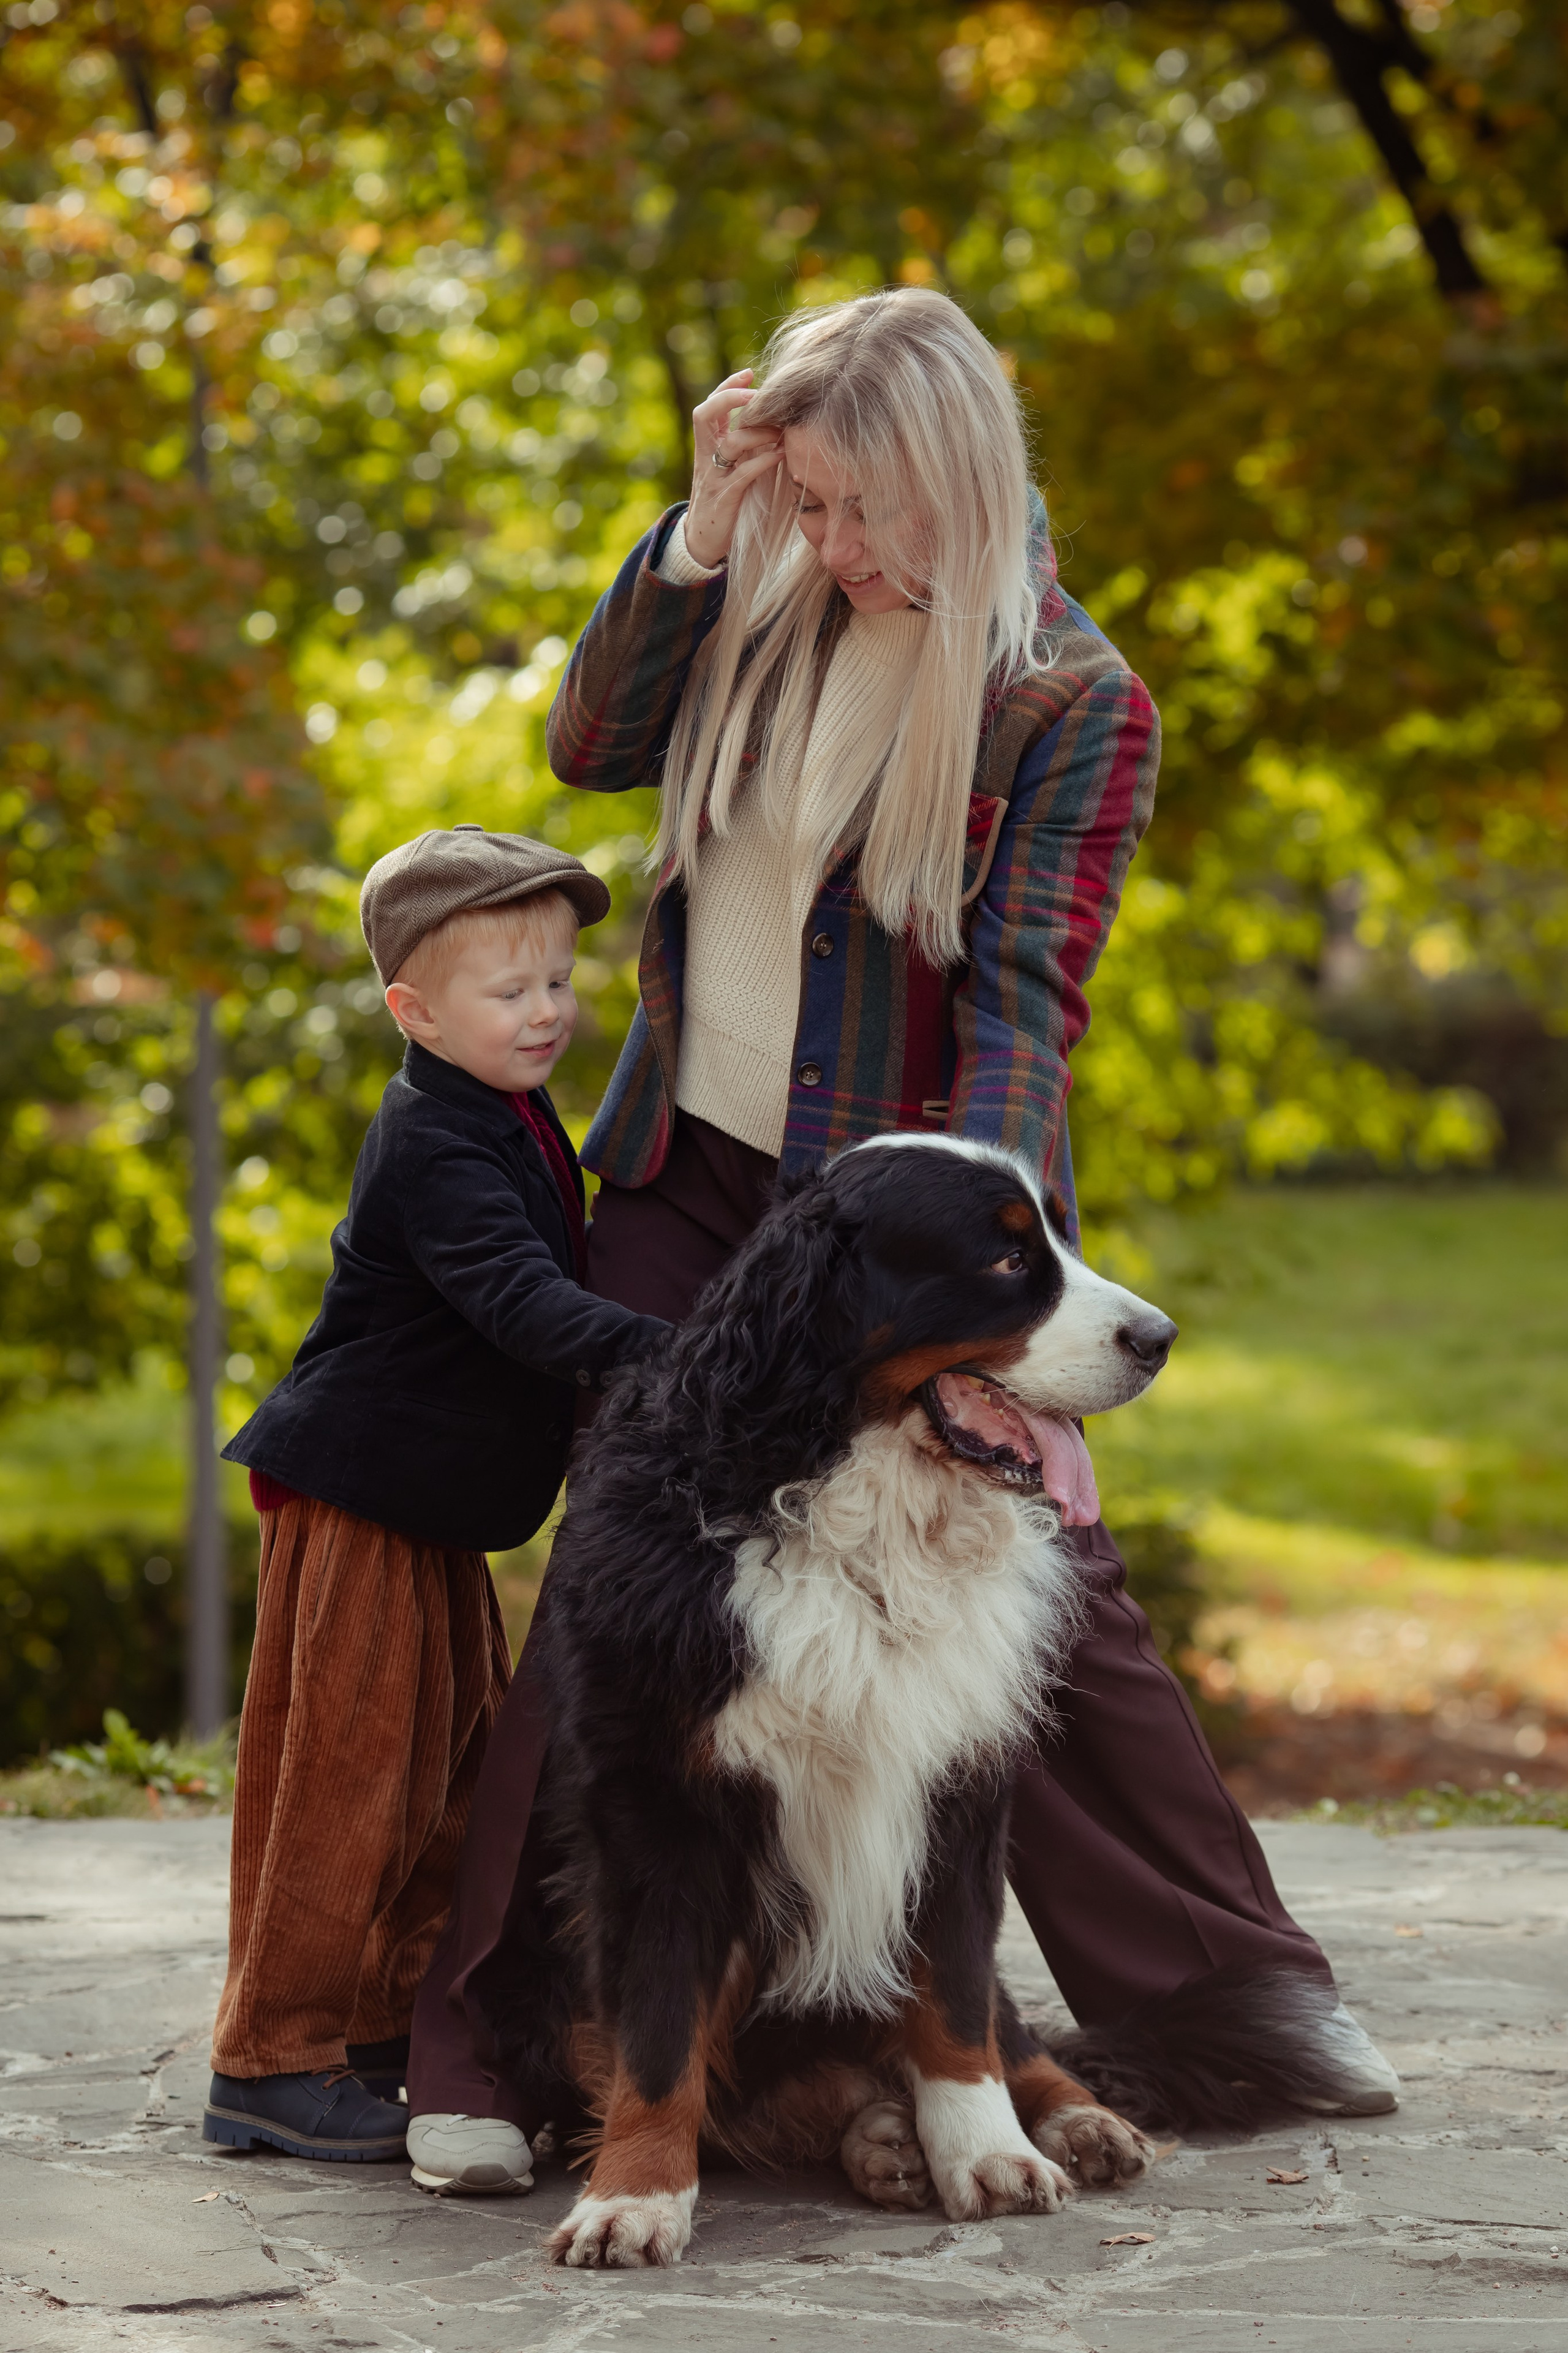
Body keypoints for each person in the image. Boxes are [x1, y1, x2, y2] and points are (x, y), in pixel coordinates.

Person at [405, 287, 1396, 2194]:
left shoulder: (1068, 697)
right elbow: (583, 739)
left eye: (861, 512)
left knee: (1042, 1583)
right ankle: (472, 2046)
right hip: (688, 1183)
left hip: (904, 1214)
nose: (836, 547)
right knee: (611, 1605)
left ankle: (1238, 1985)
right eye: (812, 504)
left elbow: (1031, 998)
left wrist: (991, 1325)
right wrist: (709, 523)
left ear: (956, 477)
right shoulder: (762, 601)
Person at [203, 828, 668, 2165]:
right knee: (345, 1780)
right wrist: (685, 1357)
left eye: (558, 981)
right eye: (506, 990)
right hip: (362, 1496)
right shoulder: (435, 1142)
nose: (544, 1011)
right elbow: (522, 1305)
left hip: (436, 1507)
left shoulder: (504, 1107)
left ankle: (371, 2022)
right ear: (412, 1010)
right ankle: (267, 2057)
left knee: (448, 1772)